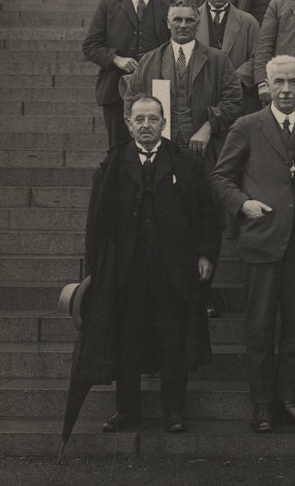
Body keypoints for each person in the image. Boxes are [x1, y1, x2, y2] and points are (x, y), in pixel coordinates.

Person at [212, 56, 295, 433]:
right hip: (263, 240)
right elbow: (221, 178)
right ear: (266, 86)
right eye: (278, 82)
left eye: (292, 83)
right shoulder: (247, 126)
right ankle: (262, 403)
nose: (285, 90)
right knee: (260, 327)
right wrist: (242, 204)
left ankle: (289, 398)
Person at [84, 96, 219, 434]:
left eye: (153, 119)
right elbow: (96, 222)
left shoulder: (185, 163)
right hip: (126, 270)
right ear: (129, 124)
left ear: (163, 123)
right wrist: (97, 269)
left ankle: (173, 410)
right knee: (126, 339)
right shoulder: (113, 164)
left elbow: (207, 217)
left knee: (174, 338)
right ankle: (127, 410)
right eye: (139, 120)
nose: (146, 126)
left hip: (172, 270)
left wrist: (204, 255)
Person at [123, 0, 242, 168]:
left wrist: (209, 126)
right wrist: (143, 135)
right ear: (168, 23)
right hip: (160, 145)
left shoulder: (218, 60)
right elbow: (131, 100)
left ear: (198, 24)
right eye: (177, 20)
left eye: (190, 20)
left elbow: (234, 100)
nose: (183, 25)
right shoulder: (150, 60)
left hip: (203, 146)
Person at [83, 0, 170, 148]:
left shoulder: (165, 9)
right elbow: (90, 46)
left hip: (154, 90)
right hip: (115, 88)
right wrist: (116, 59)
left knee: (155, 147)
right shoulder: (108, 6)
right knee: (119, 149)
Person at [195, 0, 261, 116]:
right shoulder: (192, 19)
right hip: (201, 93)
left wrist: (235, 78)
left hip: (238, 95)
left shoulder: (248, 21)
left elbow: (258, 56)